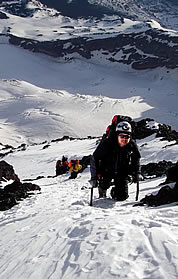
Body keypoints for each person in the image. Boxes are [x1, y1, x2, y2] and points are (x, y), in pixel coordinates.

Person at [90, 121, 141, 200]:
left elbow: (136, 159)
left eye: (127, 137)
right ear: (117, 135)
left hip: (122, 172)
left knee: (122, 197)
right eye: (122, 136)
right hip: (106, 170)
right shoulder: (107, 144)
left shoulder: (131, 145)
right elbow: (94, 158)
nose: (124, 139)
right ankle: (102, 189)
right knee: (104, 184)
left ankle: (115, 192)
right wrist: (94, 177)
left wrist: (137, 173)